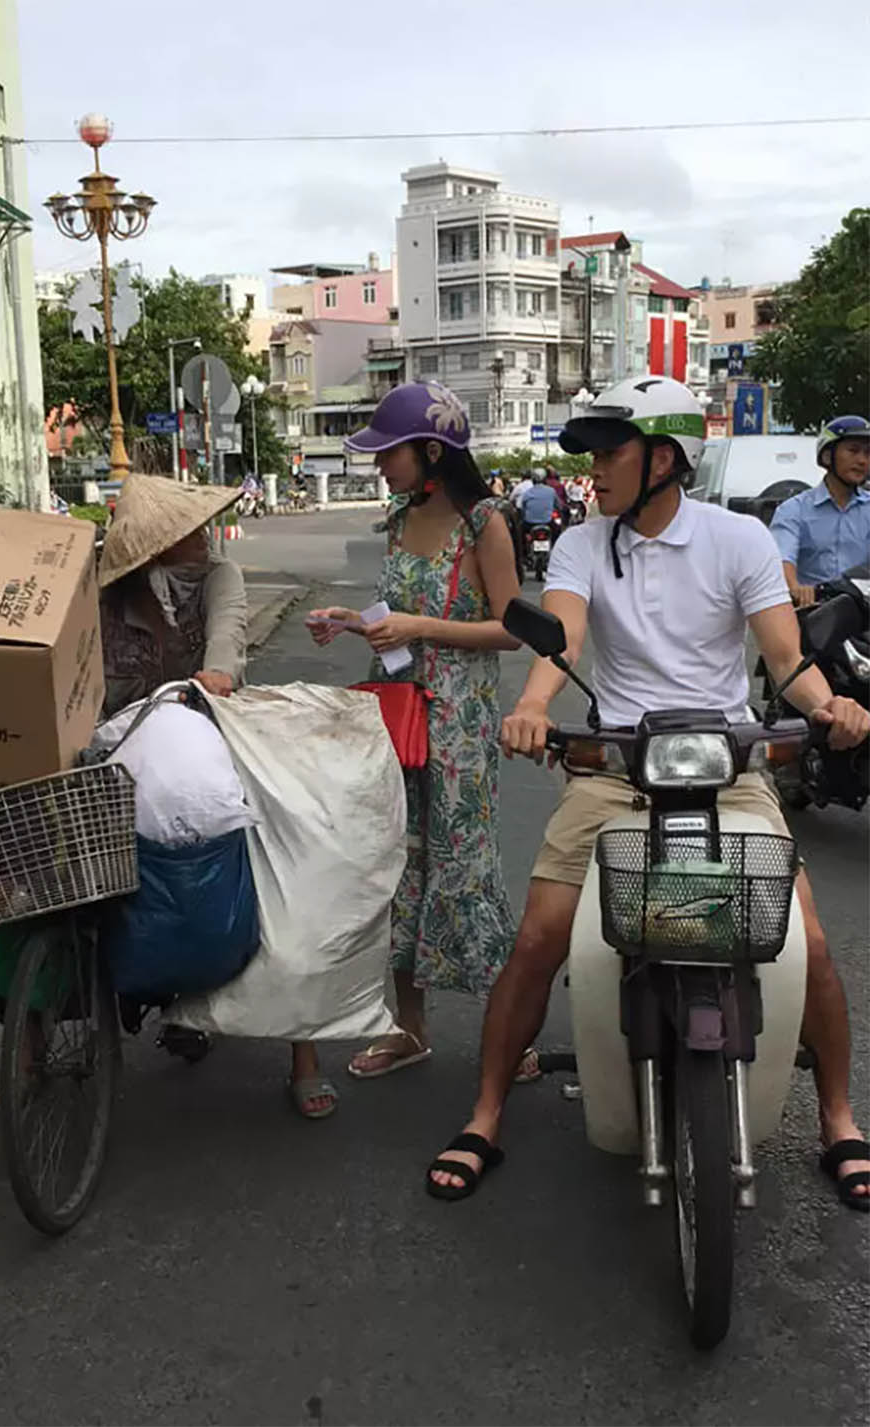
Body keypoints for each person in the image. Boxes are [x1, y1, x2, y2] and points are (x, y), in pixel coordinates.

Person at [427, 376, 870, 1210]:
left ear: (664, 458)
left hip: (728, 766)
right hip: (614, 768)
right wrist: (530, 709)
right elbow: (562, 634)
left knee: (806, 938)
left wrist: (832, 705)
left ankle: (840, 1119)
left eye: (609, 452)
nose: (594, 470)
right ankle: (485, 1111)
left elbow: (784, 659)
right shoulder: (582, 544)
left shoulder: (737, 539)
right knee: (539, 939)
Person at [306, 381, 527, 1078]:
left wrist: (420, 627)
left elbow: (511, 629)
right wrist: (351, 619)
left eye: (388, 453)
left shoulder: (484, 522)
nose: (379, 466)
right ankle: (410, 1027)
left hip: (460, 728)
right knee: (400, 871)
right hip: (398, 718)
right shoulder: (398, 520)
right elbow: (393, 616)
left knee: (464, 873)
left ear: (432, 451)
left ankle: (510, 1035)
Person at [100, 474, 337, 1119]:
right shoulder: (106, 597)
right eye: (186, 533)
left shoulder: (219, 578)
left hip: (214, 734)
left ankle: (304, 1057)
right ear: (155, 547)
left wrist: (216, 674)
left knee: (281, 869)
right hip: (121, 753)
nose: (202, 538)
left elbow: (227, 639)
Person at [769, 415, 870, 607]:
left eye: (868, 453)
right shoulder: (793, 511)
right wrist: (796, 587)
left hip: (864, 616)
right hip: (814, 614)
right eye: (853, 451)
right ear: (827, 456)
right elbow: (782, 558)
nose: (862, 460)